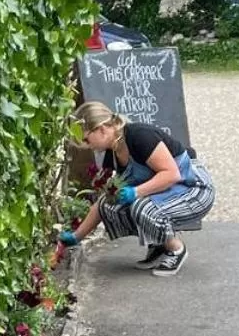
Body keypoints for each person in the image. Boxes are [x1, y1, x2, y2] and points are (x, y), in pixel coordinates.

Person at [60, 101, 215, 277]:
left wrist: (135, 192)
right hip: (168, 192)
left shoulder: (139, 136)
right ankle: (159, 245)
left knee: (140, 206)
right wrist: (76, 237)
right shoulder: (112, 154)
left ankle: (176, 249)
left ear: (101, 129)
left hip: (193, 189)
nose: (88, 146)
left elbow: (172, 174)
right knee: (109, 204)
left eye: (87, 139)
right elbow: (102, 204)